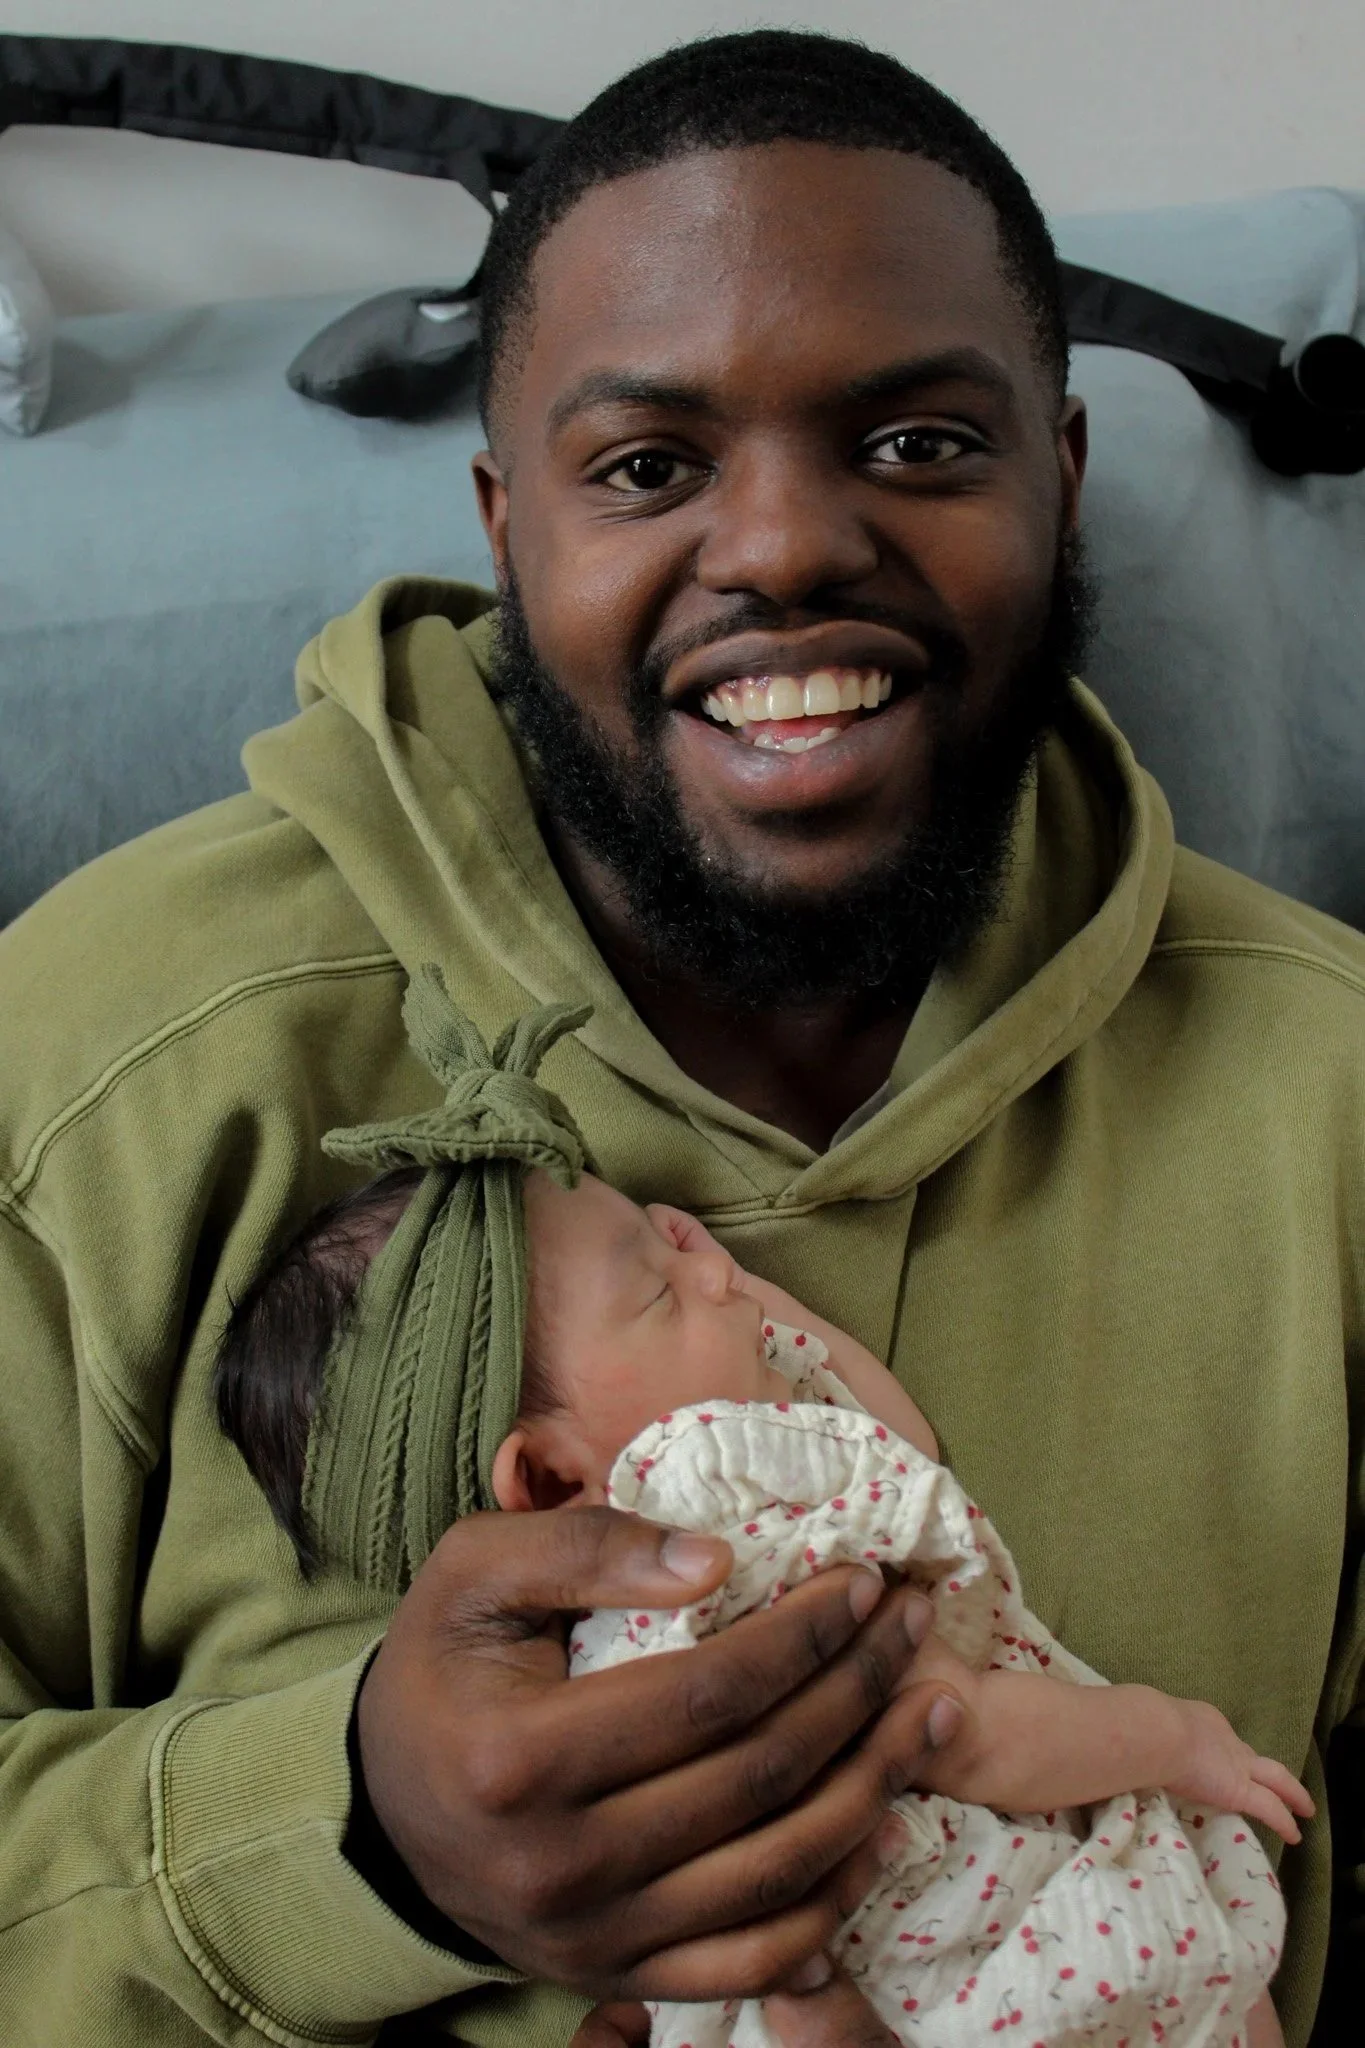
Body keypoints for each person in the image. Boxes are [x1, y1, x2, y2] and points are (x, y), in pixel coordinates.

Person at [0, 26, 1359, 2048]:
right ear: (504, 526)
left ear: (1059, 484)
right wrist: (352, 1838)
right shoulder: (97, 1061)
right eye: (645, 466)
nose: (787, 549)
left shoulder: (1328, 1098)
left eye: (919, 443)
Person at [218, 971, 1309, 2048]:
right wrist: (1174, 1737)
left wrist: (714, 1286)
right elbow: (963, 1734)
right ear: (548, 1482)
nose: (710, 1267)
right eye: (659, 1286)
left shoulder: (672, 1541)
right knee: (1195, 1957)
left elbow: (891, 1449)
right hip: (969, 1962)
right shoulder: (717, 1581)